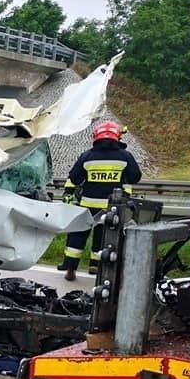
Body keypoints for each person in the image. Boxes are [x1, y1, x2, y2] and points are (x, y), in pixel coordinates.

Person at [57, 120, 141, 281]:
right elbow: (135, 177)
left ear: (96, 137)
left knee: (78, 235)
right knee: (102, 237)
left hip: (87, 206)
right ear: (116, 137)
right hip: (111, 208)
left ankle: (70, 267)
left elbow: (74, 178)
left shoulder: (87, 156)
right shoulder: (125, 156)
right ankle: (95, 266)